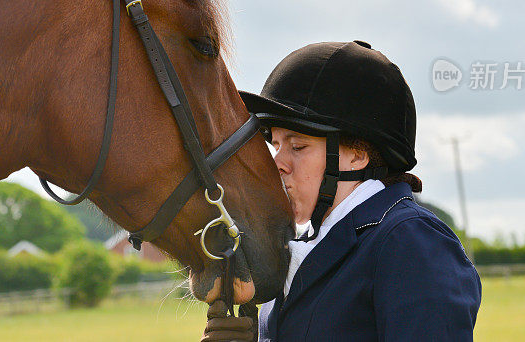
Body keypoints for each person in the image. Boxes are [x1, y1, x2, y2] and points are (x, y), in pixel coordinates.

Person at [201, 40, 481, 342]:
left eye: (297, 146)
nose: (277, 164)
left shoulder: (410, 241)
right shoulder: (302, 244)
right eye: (276, 146)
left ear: (358, 154)